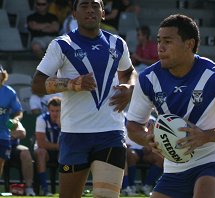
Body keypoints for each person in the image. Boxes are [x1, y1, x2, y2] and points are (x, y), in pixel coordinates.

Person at [126, 14, 215, 198]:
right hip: (175, 165)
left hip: (214, 159)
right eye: (158, 41)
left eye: (168, 41)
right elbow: (132, 125)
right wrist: (146, 139)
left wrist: (206, 136)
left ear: (189, 44)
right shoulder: (148, 79)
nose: (160, 48)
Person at [31, 0, 137, 197]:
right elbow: (37, 84)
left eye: (95, 6)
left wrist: (130, 87)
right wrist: (71, 83)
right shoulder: (62, 44)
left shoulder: (117, 43)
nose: (90, 10)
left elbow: (129, 72)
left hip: (111, 133)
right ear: (74, 13)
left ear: (103, 12)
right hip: (74, 135)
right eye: (84, 5)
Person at [0, 65, 35, 195]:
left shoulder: (9, 92)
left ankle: (29, 188)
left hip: (4, 135)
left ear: (2, 75)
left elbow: (18, 112)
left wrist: (15, 120)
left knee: (1, 162)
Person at [34, 96, 61, 196]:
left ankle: (64, 188)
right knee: (41, 152)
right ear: (48, 110)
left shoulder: (67, 120)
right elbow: (41, 144)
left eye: (57, 111)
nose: (54, 113)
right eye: (52, 111)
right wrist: (59, 147)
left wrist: (61, 125)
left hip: (60, 153)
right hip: (45, 152)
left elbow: (71, 142)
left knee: (66, 153)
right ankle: (45, 189)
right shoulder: (41, 119)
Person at [10, 122, 36, 196]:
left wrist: (9, 134)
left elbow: (22, 133)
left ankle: (29, 188)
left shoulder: (11, 120)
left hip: (13, 147)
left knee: (25, 152)